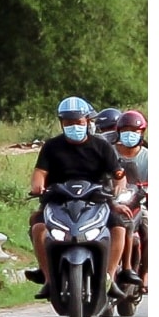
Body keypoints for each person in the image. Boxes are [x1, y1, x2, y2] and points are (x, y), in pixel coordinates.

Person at [24, 97, 137, 300]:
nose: (74, 126)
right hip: (58, 201)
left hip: (97, 201)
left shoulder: (102, 147)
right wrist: (37, 185)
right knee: (37, 225)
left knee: (120, 226)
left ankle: (109, 277)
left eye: (78, 122)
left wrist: (118, 190)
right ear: (61, 123)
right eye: (68, 123)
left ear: (87, 121)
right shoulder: (51, 146)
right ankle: (48, 277)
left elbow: (119, 174)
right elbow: (40, 172)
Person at [113, 110, 148, 294]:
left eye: (134, 130)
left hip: (139, 202)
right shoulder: (110, 153)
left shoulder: (148, 156)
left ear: (142, 132)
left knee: (148, 228)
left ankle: (146, 274)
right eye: (125, 129)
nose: (130, 133)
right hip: (112, 201)